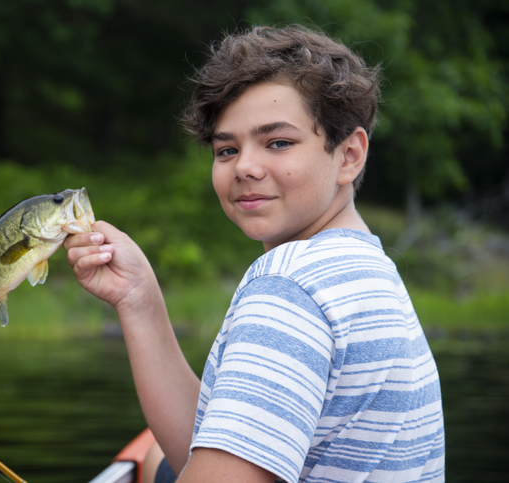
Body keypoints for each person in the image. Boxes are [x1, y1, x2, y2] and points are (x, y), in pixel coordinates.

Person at [64, 25, 445, 483]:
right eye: (227, 149)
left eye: (278, 142)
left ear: (349, 155)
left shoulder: (290, 287)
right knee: (154, 462)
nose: (244, 166)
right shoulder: (366, 269)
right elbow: (211, 449)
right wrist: (139, 299)